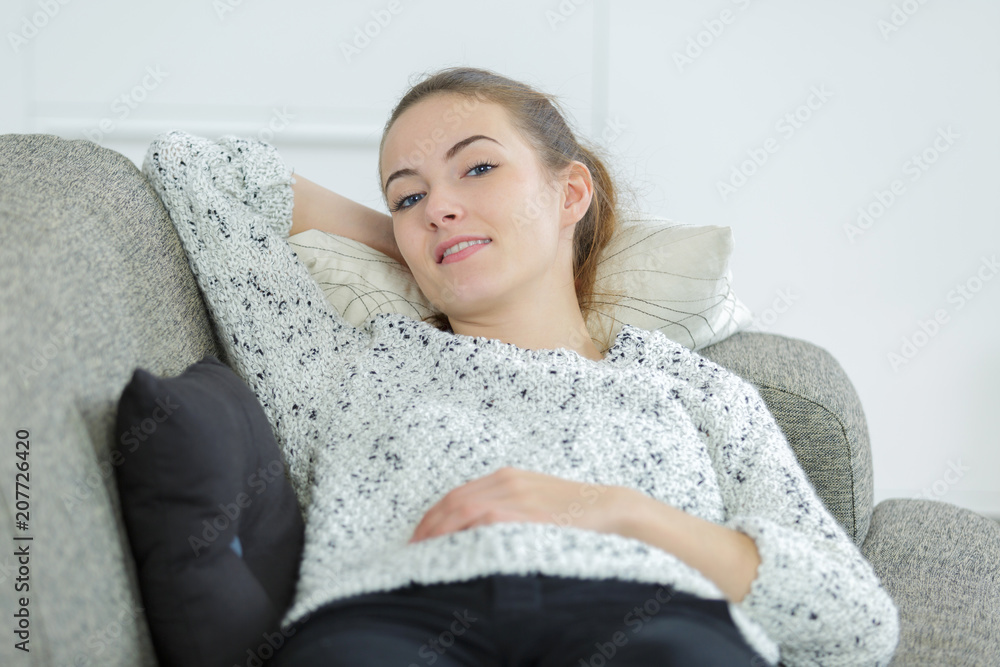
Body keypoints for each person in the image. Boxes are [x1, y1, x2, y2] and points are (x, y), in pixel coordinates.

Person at [142, 66, 900, 666]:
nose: (438, 204)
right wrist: (423, 239)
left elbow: (854, 624)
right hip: (390, 621)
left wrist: (616, 509)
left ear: (571, 191)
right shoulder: (348, 365)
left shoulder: (694, 392)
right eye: (409, 194)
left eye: (476, 170)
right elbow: (194, 167)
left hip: (652, 615)